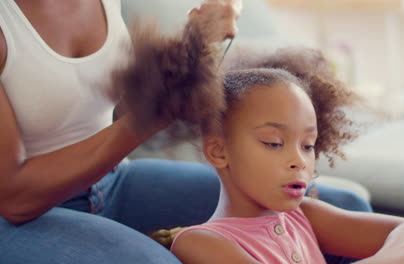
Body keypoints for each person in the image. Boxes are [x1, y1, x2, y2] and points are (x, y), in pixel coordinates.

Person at [0, 1, 371, 263]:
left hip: (111, 183)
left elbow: (120, 104)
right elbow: (14, 199)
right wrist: (158, 110)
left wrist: (193, 48)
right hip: (17, 213)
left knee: (346, 207)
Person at [166, 48, 404, 264]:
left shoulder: (304, 215)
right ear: (219, 152)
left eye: (308, 145)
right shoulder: (200, 243)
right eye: (273, 142)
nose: (299, 160)